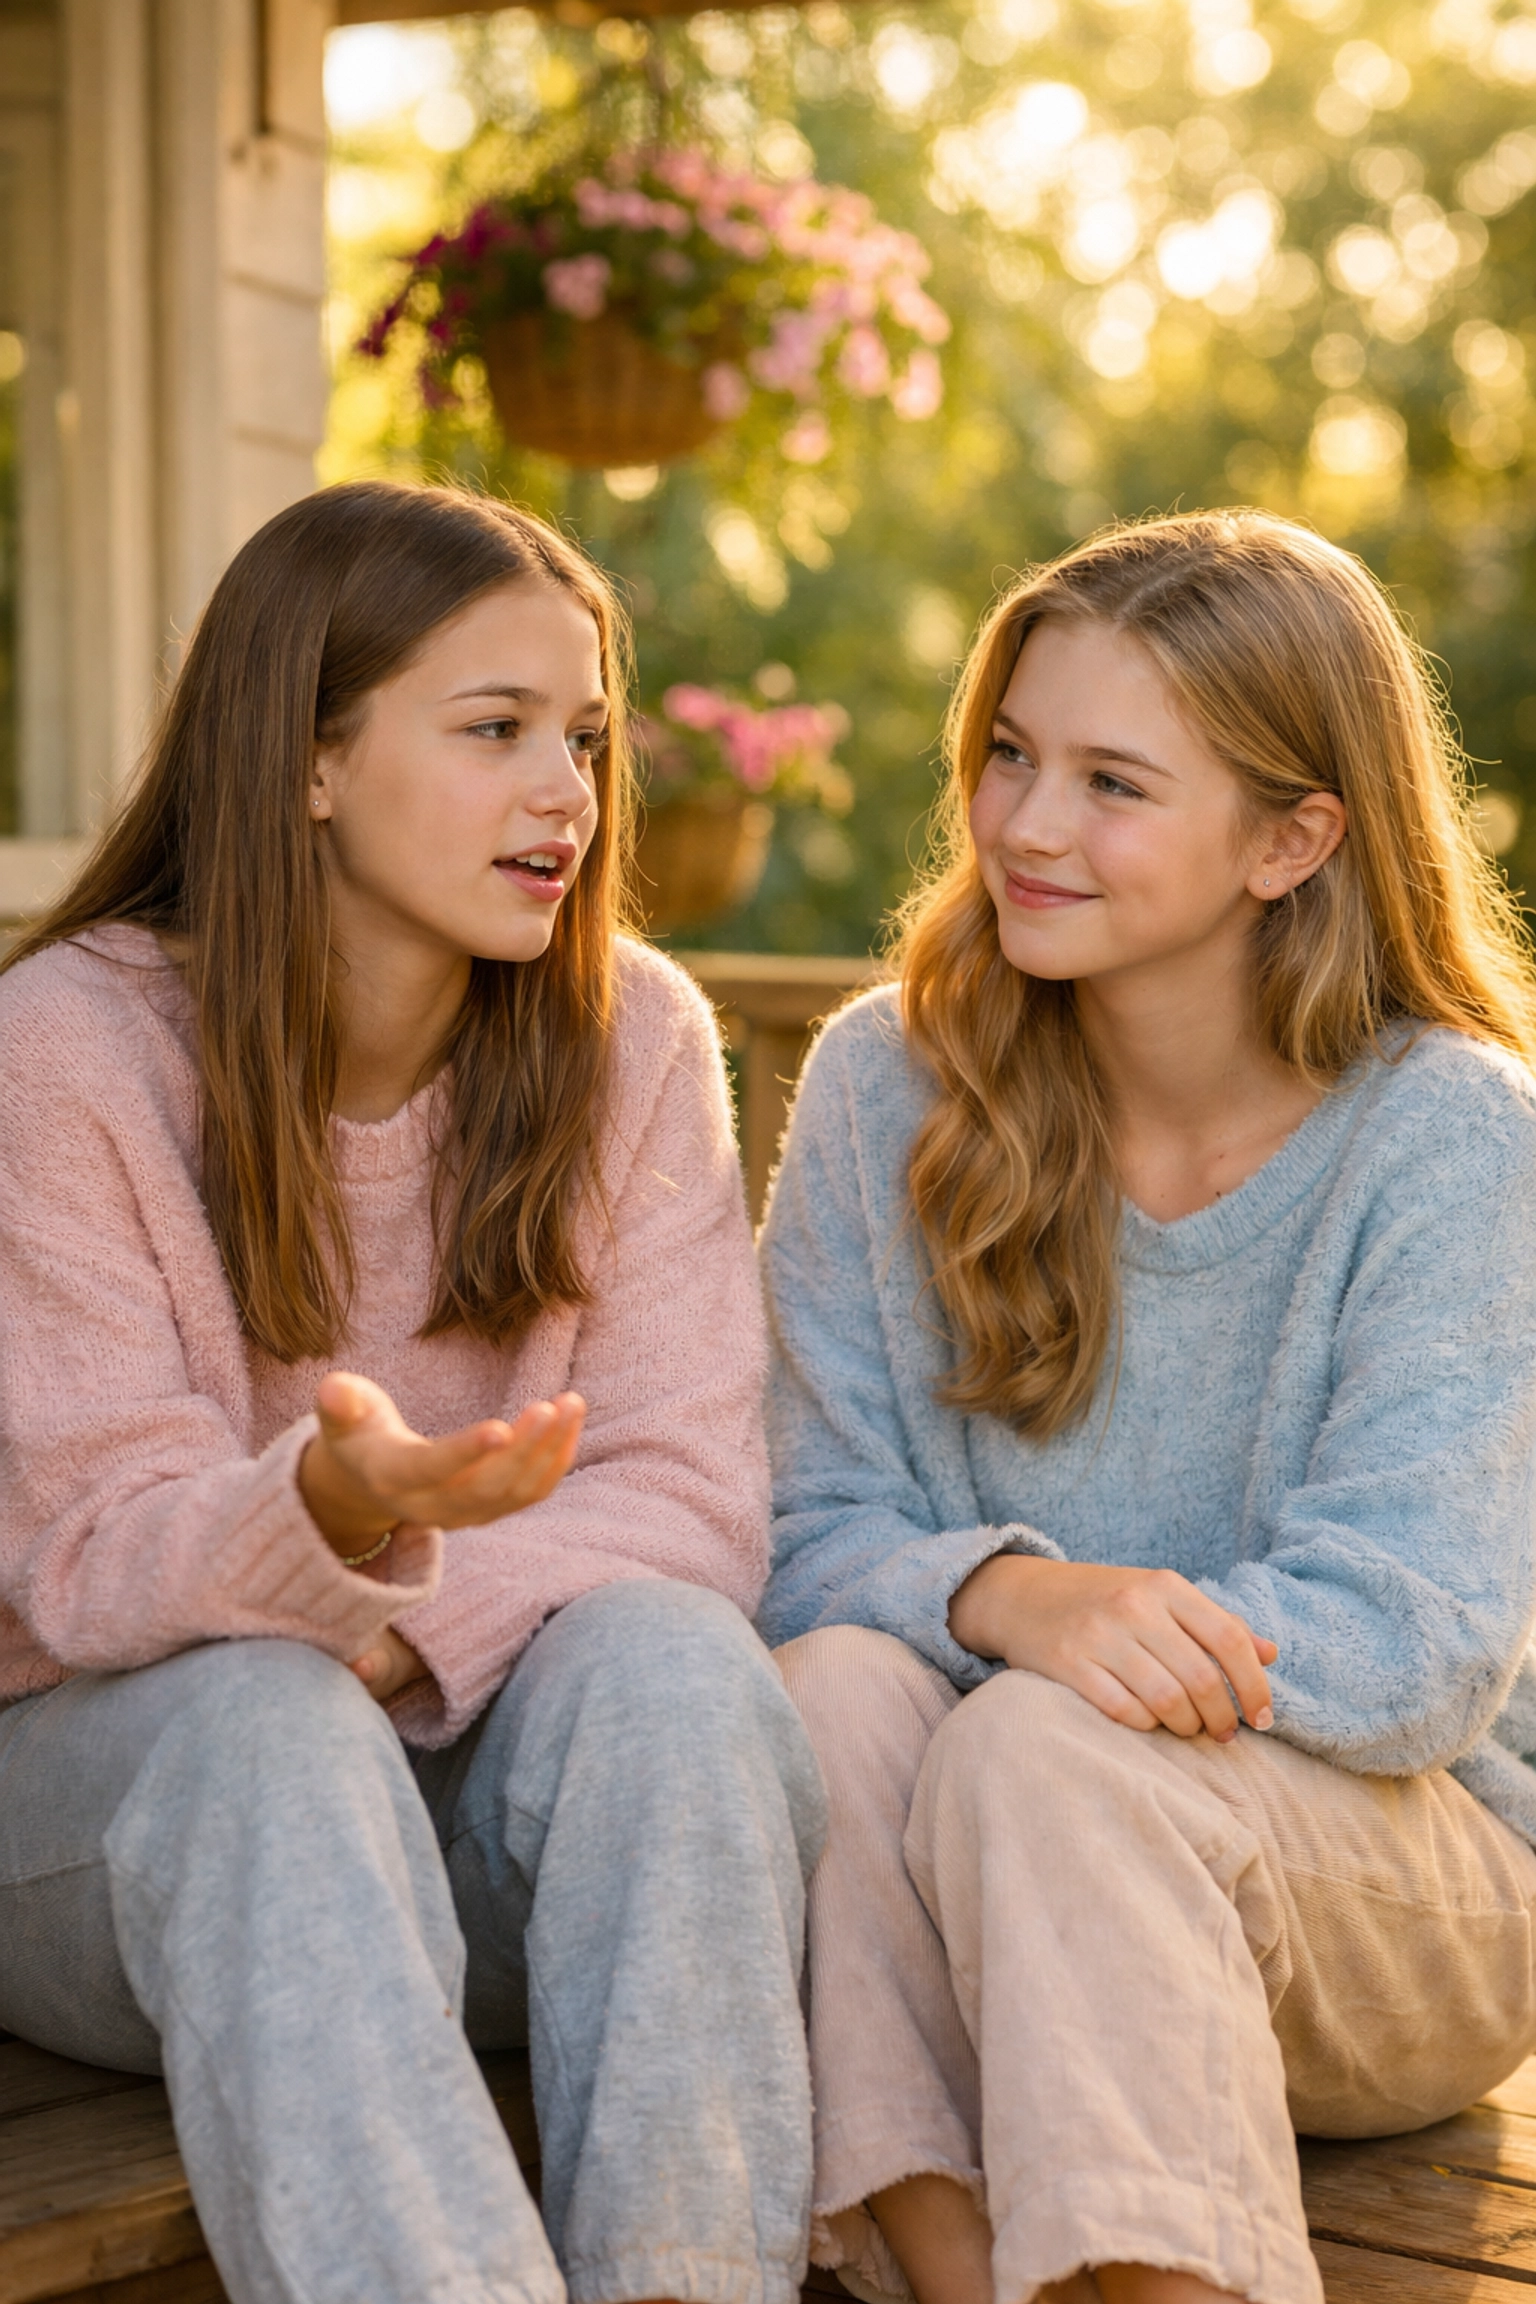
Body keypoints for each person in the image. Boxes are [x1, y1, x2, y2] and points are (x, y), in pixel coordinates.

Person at [0, 480, 825, 2304]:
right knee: (262, 1725)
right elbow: (80, 1557)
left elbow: (691, 1499)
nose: (569, 796)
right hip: (123, 1845)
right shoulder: (70, 1047)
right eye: (497, 732)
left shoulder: (635, 1043)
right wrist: (328, 1517)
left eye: (586, 739)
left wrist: (396, 1611)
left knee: (680, 1672)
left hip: (477, 1843)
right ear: (307, 760)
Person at [758, 510, 1536, 2304]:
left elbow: (1414, 1640)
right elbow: (798, 1535)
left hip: (1396, 1897)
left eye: (1114, 781)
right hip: (1003, 1868)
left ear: (1292, 837)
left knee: (1042, 1748)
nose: (1028, 826)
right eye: (1011, 757)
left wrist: (1078, 1676)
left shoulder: (1447, 1133)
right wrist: (1015, 1598)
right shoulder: (891, 1082)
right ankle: (962, 2273)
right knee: (828, 1693)